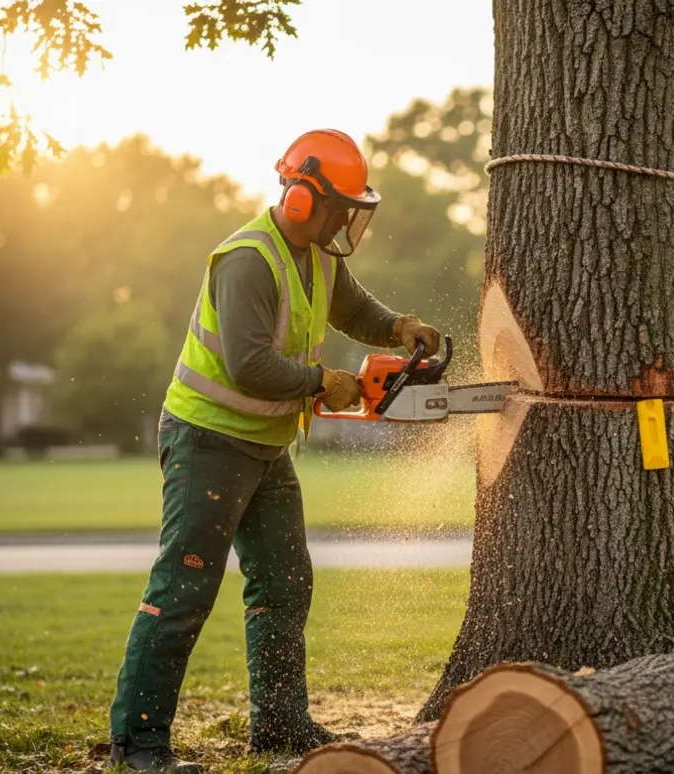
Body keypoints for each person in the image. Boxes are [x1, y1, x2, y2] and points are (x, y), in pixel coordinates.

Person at [106, 129, 441, 773]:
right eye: (339, 209)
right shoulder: (246, 261)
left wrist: (398, 326)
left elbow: (351, 308)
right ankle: (137, 743)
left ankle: (281, 726)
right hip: (208, 440)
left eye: (352, 212)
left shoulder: (317, 254)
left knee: (286, 582)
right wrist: (323, 382)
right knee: (183, 588)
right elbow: (249, 364)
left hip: (264, 445)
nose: (345, 222)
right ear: (299, 197)